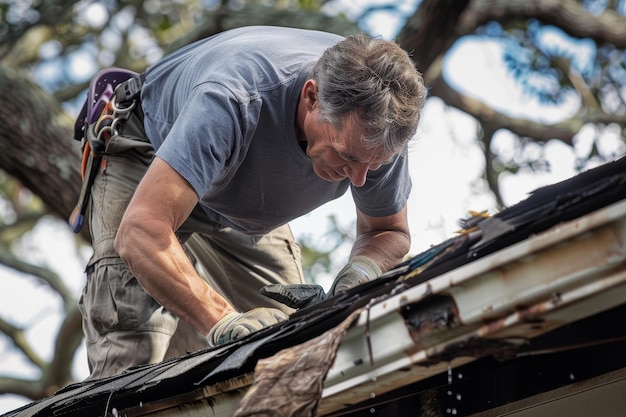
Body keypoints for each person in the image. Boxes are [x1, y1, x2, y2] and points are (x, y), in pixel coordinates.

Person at [76, 25, 427, 380]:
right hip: (149, 155)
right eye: (345, 157)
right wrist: (222, 321)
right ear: (311, 98)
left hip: (238, 204)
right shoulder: (232, 98)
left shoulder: (379, 127)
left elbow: (388, 230)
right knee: (130, 358)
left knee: (293, 348)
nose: (360, 180)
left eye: (375, 165)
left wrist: (360, 272)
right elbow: (142, 231)